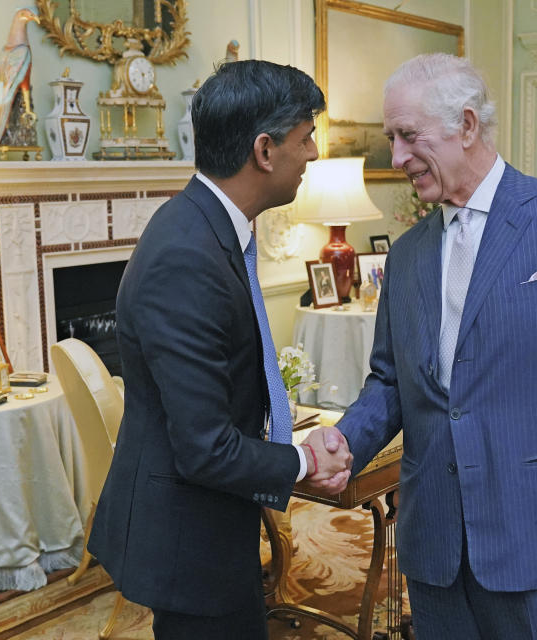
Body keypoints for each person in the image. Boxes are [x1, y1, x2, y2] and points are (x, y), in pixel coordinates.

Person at [325, 53, 537, 639]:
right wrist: (343, 441)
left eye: (407, 136)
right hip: (437, 539)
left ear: (466, 126)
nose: (396, 158)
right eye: (390, 139)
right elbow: (391, 380)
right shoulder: (408, 253)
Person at [87, 60, 353, 640]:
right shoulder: (188, 256)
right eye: (305, 138)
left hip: (207, 526)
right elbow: (205, 450)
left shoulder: (210, 227)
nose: (311, 154)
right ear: (264, 150)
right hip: (188, 542)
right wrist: (305, 462)